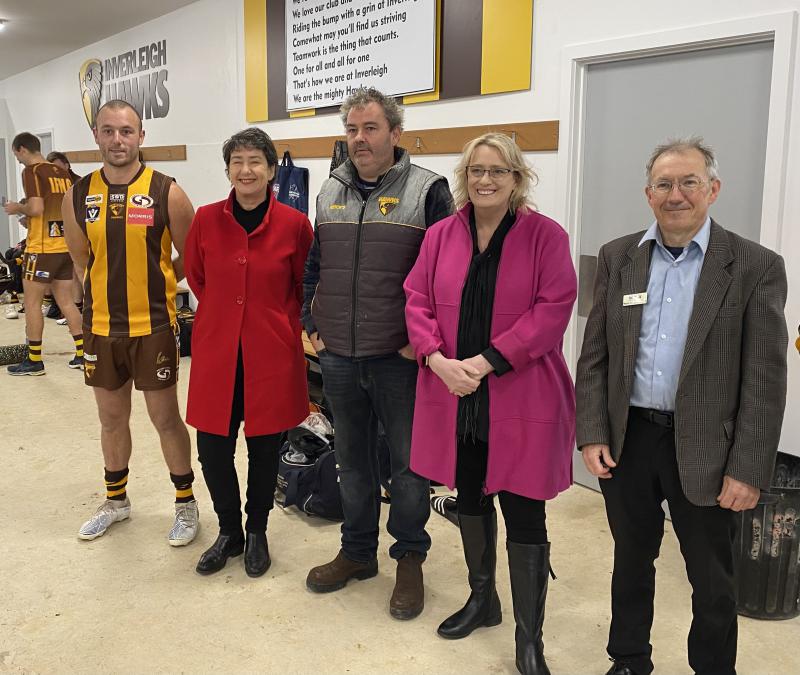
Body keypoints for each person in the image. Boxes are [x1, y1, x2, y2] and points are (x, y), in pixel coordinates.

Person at [575, 137, 788, 675]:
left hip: (710, 449)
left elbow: (765, 379)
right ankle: (628, 659)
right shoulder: (619, 256)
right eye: (664, 184)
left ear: (712, 189)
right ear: (648, 195)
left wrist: (748, 468)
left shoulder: (753, 266)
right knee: (631, 559)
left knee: (712, 578)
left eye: (689, 182)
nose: (676, 194)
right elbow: (595, 355)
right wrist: (592, 431)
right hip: (630, 439)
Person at [404, 133, 577, 675]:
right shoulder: (439, 236)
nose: (485, 180)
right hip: (453, 393)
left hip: (517, 390)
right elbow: (417, 299)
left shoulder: (545, 237)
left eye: (497, 171)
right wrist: (436, 360)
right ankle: (484, 600)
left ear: (517, 179)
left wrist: (484, 362)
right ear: (464, 178)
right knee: (470, 496)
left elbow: (554, 308)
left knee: (524, 508)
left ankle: (530, 640)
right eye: (476, 170)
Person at [302, 87, 453, 619]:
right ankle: (358, 552)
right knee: (352, 461)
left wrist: (423, 340)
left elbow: (445, 273)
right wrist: (310, 323)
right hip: (339, 353)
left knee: (410, 468)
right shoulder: (331, 190)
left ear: (394, 132)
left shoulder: (428, 191)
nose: (360, 139)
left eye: (369, 128)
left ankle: (409, 556)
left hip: (399, 355)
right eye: (351, 129)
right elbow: (314, 264)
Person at [61, 99, 200, 546]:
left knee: (165, 418)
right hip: (102, 329)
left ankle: (185, 503)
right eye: (108, 131)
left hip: (154, 327)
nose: (117, 140)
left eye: (126, 131)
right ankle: (116, 501)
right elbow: (82, 262)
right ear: (97, 136)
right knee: (110, 418)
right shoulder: (78, 194)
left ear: (141, 136)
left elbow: (190, 256)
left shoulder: (166, 191)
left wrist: (161, 281)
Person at [184, 128, 313, 577]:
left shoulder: (295, 224)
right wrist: (226, 315)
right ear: (227, 170)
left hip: (270, 354)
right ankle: (229, 532)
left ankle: (256, 530)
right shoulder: (205, 219)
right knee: (212, 450)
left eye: (255, 161)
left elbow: (303, 286)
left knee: (264, 450)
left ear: (272, 170)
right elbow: (197, 277)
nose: (246, 170)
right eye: (237, 161)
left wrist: (275, 320)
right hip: (218, 351)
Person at [3, 133, 83, 374]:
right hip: (64, 245)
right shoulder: (61, 173)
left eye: (17, 155)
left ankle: (34, 360)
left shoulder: (32, 171)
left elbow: (36, 208)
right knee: (67, 302)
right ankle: (84, 355)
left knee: (32, 303)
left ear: (22, 149)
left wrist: (18, 207)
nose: (17, 160)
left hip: (41, 248)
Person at [48, 151, 85, 324]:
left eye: (57, 166)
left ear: (67, 165)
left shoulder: (80, 184)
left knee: (79, 270)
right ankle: (69, 308)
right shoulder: (52, 187)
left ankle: (82, 308)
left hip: (81, 232)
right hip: (61, 232)